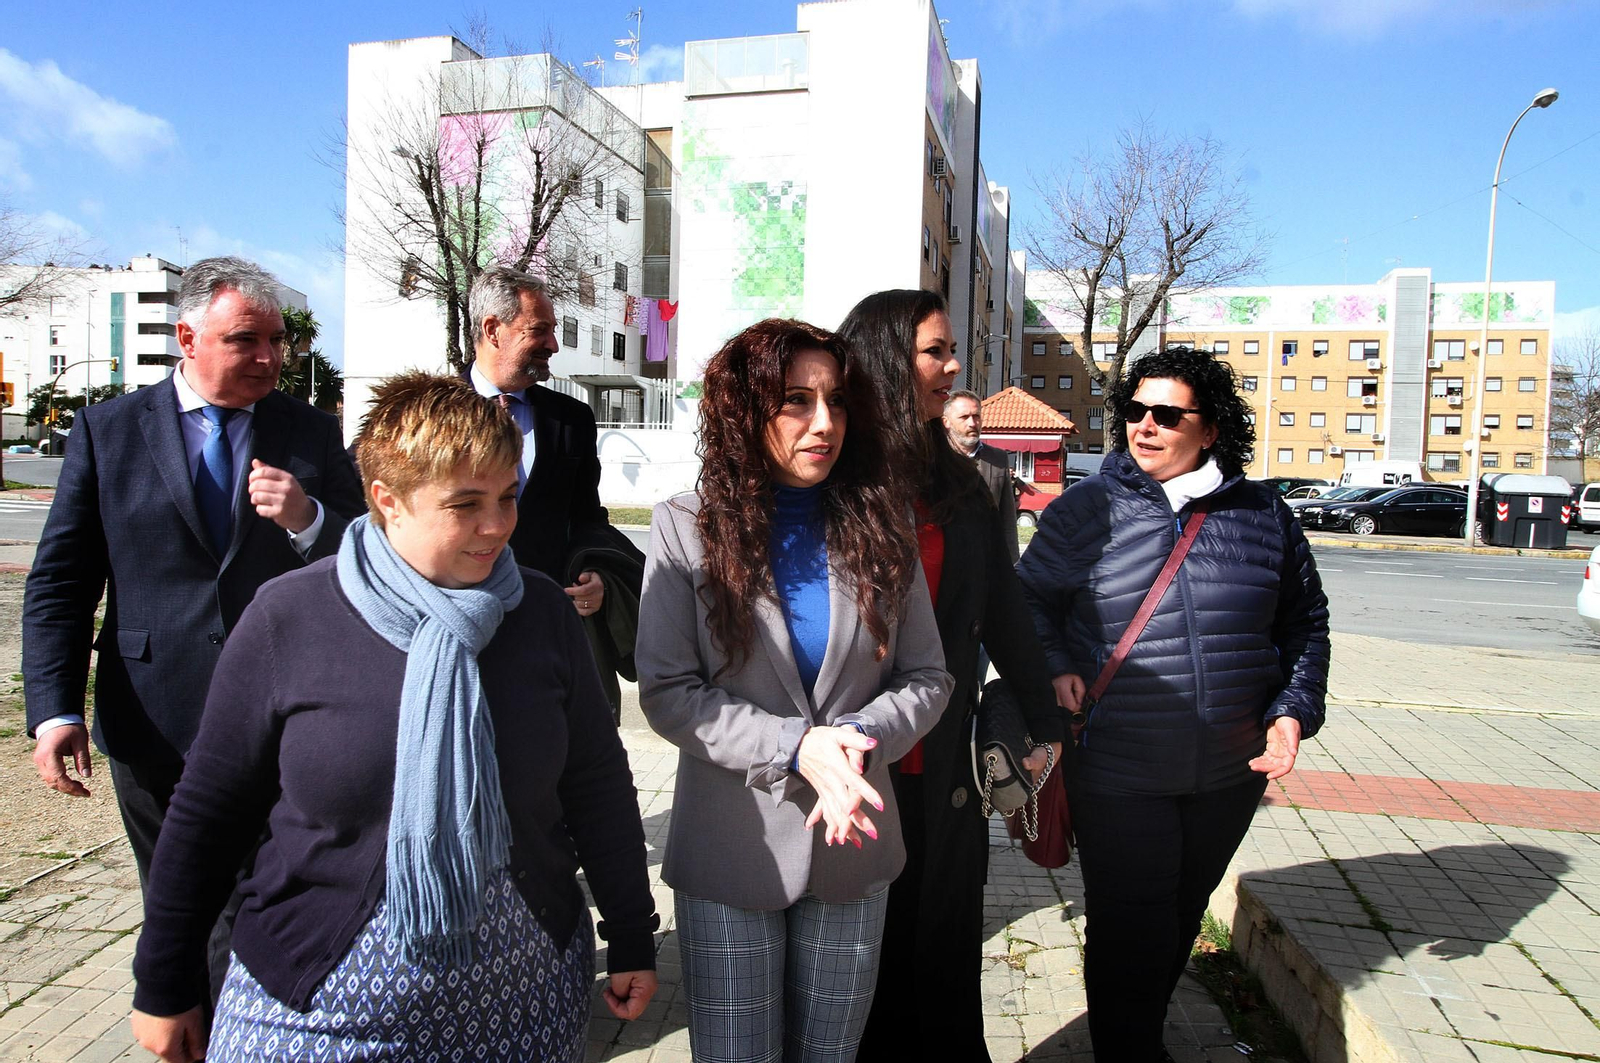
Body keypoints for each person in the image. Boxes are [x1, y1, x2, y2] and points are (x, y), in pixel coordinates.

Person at [128, 372, 659, 1063]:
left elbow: (596, 785)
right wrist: (165, 979)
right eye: (466, 503)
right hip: (311, 1005)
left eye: (506, 496)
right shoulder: (290, 616)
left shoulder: (541, 612)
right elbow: (208, 811)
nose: (498, 525)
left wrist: (631, 933)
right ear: (387, 500)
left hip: (521, 1009)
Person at [22, 256, 365, 1005]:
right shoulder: (108, 430)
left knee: (256, 901)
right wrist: (54, 711)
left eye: (279, 341)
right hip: (153, 717)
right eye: (247, 339)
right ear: (187, 336)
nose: (271, 357)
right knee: (176, 903)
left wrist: (309, 519)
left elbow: (368, 554)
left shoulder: (308, 431)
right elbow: (62, 581)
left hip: (284, 719)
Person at [636, 318, 951, 1063]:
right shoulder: (687, 527)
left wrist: (853, 745)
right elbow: (668, 691)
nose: (824, 422)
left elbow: (929, 676)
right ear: (745, 412)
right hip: (731, 848)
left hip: (853, 846)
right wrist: (797, 746)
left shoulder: (883, 524)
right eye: (795, 401)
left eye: (837, 400)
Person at [1016, 346, 1331, 1063]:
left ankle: (1141, 1035)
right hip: (1119, 765)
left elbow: (1304, 623)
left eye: (1166, 414)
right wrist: (1056, 664)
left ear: (1211, 428)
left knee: (1180, 913)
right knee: (1130, 924)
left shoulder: (1264, 513)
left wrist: (1292, 710)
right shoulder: (1088, 507)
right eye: (1134, 411)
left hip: (1228, 771)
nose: (1144, 426)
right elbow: (1027, 599)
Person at [837, 290, 1064, 1062]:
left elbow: (1003, 607)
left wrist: (1046, 720)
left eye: (951, 349)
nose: (955, 366)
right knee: (862, 967)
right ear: (886, 359)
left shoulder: (962, 484)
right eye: (935, 351)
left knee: (939, 952)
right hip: (854, 768)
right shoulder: (835, 480)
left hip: (947, 764)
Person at [464, 265, 643, 712]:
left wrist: (599, 576)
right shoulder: (429, 409)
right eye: (539, 330)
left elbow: (587, 519)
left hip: (548, 632)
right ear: (493, 330)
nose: (553, 345)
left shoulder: (571, 419)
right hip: (459, 633)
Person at [943, 388, 1019, 563]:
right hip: (947, 561)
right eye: (964, 417)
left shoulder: (998, 458)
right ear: (946, 422)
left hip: (986, 560)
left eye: (976, 416)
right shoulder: (935, 458)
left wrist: (1012, 563)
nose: (972, 423)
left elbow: (1007, 517)